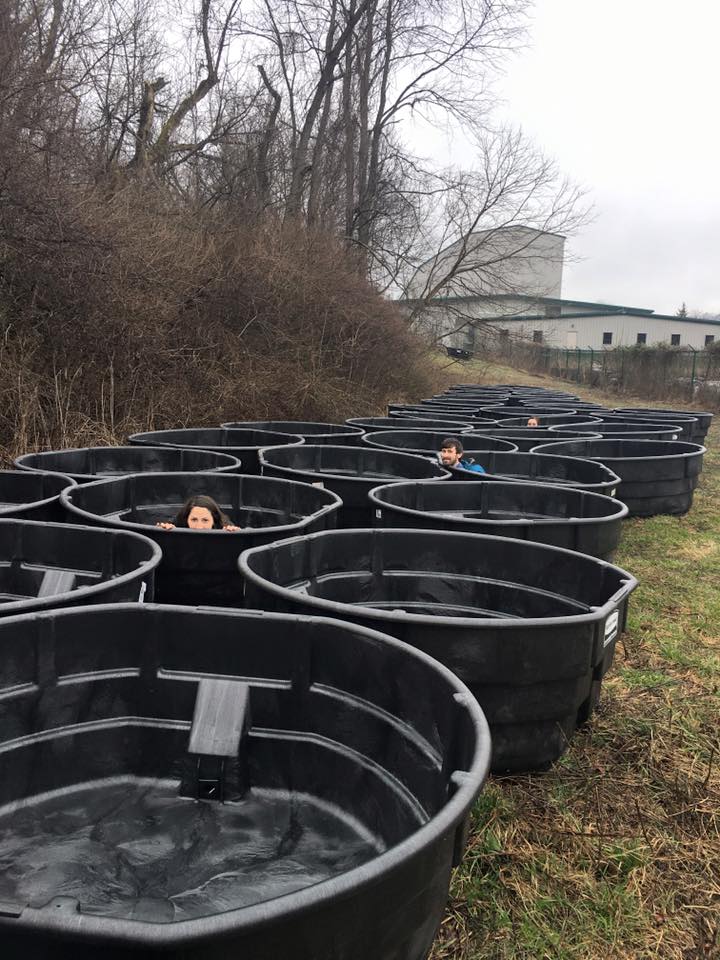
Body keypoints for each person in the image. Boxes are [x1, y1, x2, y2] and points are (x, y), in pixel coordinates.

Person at [156, 494, 241, 531]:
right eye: (194, 520)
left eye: (205, 520)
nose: (199, 527)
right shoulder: (177, 524)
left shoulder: (225, 527)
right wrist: (164, 530)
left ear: (213, 521)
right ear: (187, 519)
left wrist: (235, 534)